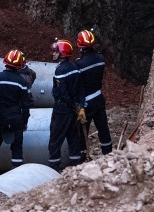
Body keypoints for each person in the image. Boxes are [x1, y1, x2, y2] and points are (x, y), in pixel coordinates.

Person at [0, 49, 32, 176]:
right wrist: (25, 121)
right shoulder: (21, 81)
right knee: (17, 146)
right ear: (19, 65)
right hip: (16, 117)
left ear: (5, 62)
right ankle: (16, 174)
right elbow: (26, 104)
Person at [76, 29, 112, 156]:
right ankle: (108, 154)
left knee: (81, 132)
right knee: (103, 128)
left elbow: (78, 85)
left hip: (86, 102)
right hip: (99, 98)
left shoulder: (79, 64)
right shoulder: (101, 58)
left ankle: (82, 156)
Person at [48, 39, 83, 170]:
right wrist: (79, 106)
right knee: (73, 137)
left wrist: (72, 105)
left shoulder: (60, 70)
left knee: (55, 138)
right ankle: (75, 165)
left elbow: (63, 93)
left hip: (62, 109)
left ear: (62, 53)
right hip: (73, 110)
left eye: (55, 52)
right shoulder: (75, 67)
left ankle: (54, 166)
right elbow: (80, 89)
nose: (53, 54)